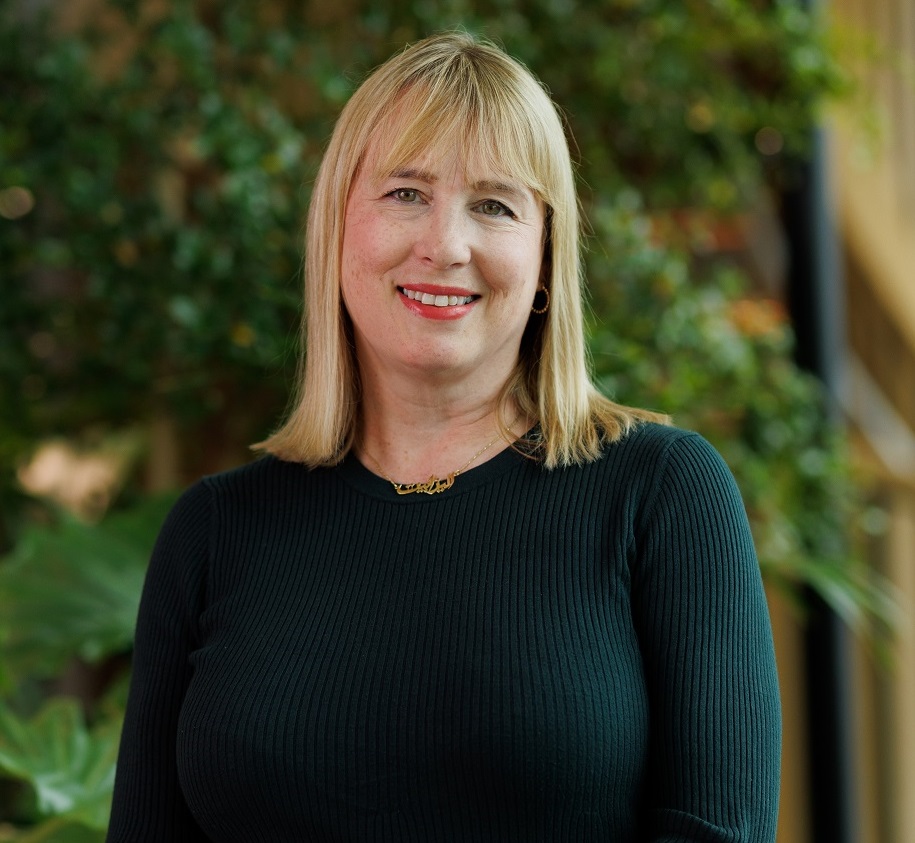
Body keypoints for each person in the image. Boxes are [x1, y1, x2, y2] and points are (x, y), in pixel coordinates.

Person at [107, 31, 781, 842]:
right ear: (337, 226)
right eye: (405, 193)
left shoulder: (660, 493)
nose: (445, 245)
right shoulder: (214, 532)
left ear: (544, 256)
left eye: (493, 205)